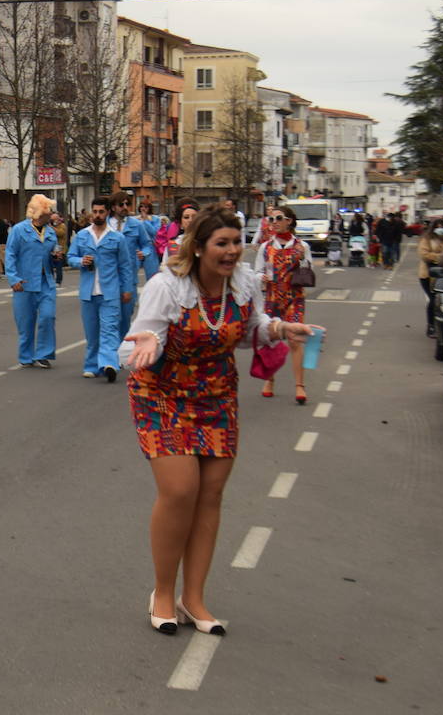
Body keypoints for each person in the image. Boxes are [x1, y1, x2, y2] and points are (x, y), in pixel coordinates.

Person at [125, 205, 319, 636]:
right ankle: (162, 592)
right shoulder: (167, 287)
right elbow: (138, 342)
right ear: (198, 248)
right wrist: (147, 344)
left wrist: (281, 329)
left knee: (210, 495)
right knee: (180, 490)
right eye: (222, 244)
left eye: (236, 242)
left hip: (216, 396)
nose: (232, 252)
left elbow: (251, 329)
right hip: (163, 395)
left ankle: (193, 599)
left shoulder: (245, 284)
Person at [68, 197, 134, 382]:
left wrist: (127, 289)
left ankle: (109, 364)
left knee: (110, 329)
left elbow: (125, 266)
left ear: (107, 213)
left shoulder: (117, 238)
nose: (97, 215)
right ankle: (91, 366)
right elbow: (70, 256)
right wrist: (80, 261)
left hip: (110, 292)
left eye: (101, 212)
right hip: (88, 292)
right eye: (95, 212)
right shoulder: (82, 235)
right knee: (92, 332)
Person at [252, 207, 314, 403]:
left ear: (289, 221)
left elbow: (308, 272)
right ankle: (269, 380)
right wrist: (260, 276)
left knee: (295, 339)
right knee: (270, 339)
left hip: (294, 298)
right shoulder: (266, 247)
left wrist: (303, 257)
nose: (274, 222)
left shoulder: (302, 245)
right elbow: (256, 272)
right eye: (271, 218)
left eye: (279, 218)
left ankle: (300, 385)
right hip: (271, 298)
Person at [4, 195, 60, 369]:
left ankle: (43, 354)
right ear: (38, 212)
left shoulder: (51, 233)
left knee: (48, 316)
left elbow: (54, 256)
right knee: (25, 322)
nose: (50, 214)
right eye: (47, 210)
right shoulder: (19, 230)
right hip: (25, 282)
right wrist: (13, 278)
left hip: (46, 282)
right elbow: (10, 254)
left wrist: (57, 258)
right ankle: (26, 356)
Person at [108, 191, 151, 337]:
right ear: (113, 207)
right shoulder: (105, 226)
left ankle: (121, 352)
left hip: (128, 278)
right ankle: (111, 354)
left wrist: (143, 253)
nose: (125, 207)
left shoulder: (136, 225)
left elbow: (147, 245)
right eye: (121, 204)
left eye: (127, 203)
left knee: (125, 316)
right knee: (110, 319)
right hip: (108, 278)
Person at [416, 220, 443, 337]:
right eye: (437, 227)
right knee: (433, 299)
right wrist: (440, 257)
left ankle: (440, 324)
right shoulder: (427, 240)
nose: (440, 229)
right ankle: (431, 325)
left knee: (441, 301)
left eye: (442, 227)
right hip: (428, 274)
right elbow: (424, 255)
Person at [134, 200, 162, 282]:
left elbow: (154, 232)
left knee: (152, 276)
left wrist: (146, 220)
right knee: (132, 272)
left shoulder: (155, 219)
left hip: (151, 248)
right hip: (137, 248)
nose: (143, 209)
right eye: (141, 206)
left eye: (146, 207)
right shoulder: (136, 219)